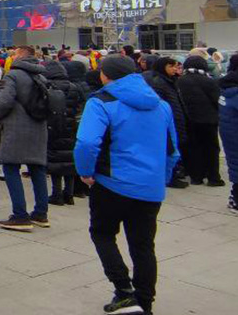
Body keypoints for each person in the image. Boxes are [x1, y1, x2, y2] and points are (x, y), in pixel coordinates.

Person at [75, 55, 179, 315]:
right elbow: (171, 149)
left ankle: (123, 289)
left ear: (105, 75)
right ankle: (145, 301)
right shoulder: (161, 105)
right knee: (143, 245)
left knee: (102, 233)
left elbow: (87, 143)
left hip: (112, 183)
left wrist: (85, 172)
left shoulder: (101, 102)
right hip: (149, 187)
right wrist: (161, 178)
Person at [0, 46, 50, 231]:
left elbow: (4, 101)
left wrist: (0, 117)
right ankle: (41, 213)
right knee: (37, 169)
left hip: (16, 128)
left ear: (20, 57)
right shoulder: (41, 77)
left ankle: (20, 216)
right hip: (38, 128)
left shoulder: (13, 75)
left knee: (11, 169)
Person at [177, 55, 223, 186]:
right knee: (211, 148)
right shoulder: (209, 81)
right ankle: (213, 177)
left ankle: (196, 177)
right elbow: (217, 100)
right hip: (209, 120)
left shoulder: (180, 81)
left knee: (193, 148)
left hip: (189, 120)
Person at [144, 56, 189, 189]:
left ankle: (174, 173)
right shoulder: (158, 82)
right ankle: (169, 177)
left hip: (174, 117)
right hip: (167, 120)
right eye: (171, 66)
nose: (175, 69)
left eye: (175, 66)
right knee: (169, 149)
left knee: (174, 148)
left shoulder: (170, 80)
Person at [220, 53, 238, 214]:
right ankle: (237, 201)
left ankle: (236, 198)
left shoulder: (226, 88)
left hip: (231, 133)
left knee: (237, 166)